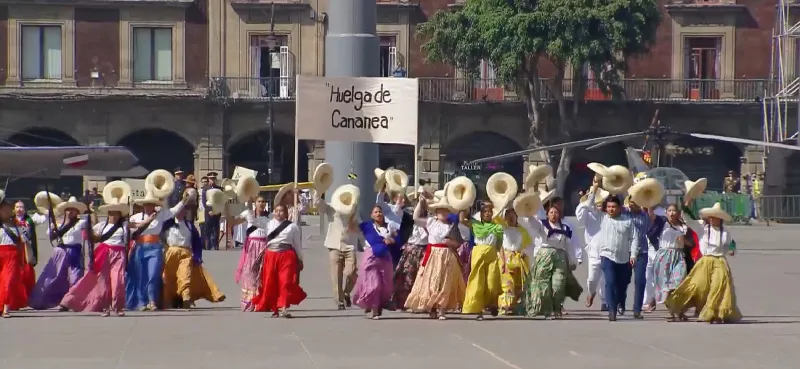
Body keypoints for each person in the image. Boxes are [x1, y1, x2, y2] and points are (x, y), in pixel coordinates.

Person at [665, 202, 742, 323]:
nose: (711, 219)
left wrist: (732, 250)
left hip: (719, 261)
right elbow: (688, 220)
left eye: (714, 217)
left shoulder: (725, 232)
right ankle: (678, 306)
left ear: (719, 219)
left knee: (719, 286)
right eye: (710, 216)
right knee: (696, 285)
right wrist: (686, 204)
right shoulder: (702, 228)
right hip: (705, 261)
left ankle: (715, 314)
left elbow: (730, 245)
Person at [60, 201, 130, 316]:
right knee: (103, 281)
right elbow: (92, 232)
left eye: (116, 213)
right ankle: (105, 307)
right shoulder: (102, 225)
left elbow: (137, 225)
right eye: (111, 213)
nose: (114, 216)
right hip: (104, 252)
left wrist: (149, 219)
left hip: (119, 252)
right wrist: (91, 213)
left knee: (118, 280)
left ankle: (118, 307)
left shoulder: (124, 225)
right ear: (108, 214)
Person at [403, 195, 467, 320]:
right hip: (433, 255)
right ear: (436, 212)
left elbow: (459, 243)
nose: (442, 212)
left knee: (445, 283)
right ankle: (432, 306)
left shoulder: (452, 226)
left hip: (447, 255)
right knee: (432, 281)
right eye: (440, 210)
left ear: (448, 212)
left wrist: (450, 243)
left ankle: (441, 309)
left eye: (445, 210)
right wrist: (420, 204)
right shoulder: (431, 222)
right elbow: (415, 218)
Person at [161, 190, 225, 309]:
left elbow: (197, 242)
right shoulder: (167, 224)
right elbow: (159, 238)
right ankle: (169, 300)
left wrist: (197, 256)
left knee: (185, 275)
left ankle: (187, 298)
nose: (181, 212)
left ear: (185, 212)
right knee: (168, 278)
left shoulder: (190, 226)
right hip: (170, 253)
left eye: (183, 210)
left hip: (185, 253)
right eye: (179, 210)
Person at [126, 192, 187, 311]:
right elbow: (129, 231)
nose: (148, 207)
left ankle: (152, 300)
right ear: (143, 205)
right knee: (141, 275)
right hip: (139, 247)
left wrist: (183, 201)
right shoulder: (135, 217)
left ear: (154, 205)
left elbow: (174, 211)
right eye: (146, 204)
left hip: (155, 247)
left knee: (153, 274)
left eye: (150, 204)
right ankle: (141, 302)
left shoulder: (160, 215)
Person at [28, 197, 89, 311]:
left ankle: (69, 302)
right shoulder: (58, 223)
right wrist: (53, 227)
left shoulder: (81, 222)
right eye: (68, 210)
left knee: (75, 278)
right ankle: (42, 300)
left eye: (73, 210)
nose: (70, 212)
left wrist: (91, 211)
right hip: (60, 251)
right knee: (53, 276)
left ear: (77, 212)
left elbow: (91, 226)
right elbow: (52, 237)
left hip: (74, 251)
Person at [517, 205, 578, 318]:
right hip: (545, 256)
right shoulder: (542, 225)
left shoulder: (564, 228)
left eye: (556, 212)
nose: (553, 215)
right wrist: (529, 212)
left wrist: (572, 260)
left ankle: (557, 308)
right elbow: (532, 223)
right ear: (547, 214)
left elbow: (569, 245)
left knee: (558, 285)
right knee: (543, 285)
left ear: (559, 215)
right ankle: (547, 310)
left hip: (560, 257)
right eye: (551, 212)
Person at [249, 204, 306, 317]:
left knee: (285, 281)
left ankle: (283, 307)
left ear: (286, 213)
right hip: (271, 255)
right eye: (276, 211)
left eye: (281, 211)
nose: (279, 213)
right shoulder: (268, 224)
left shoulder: (292, 227)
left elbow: (297, 244)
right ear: (273, 212)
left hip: (287, 255)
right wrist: (250, 204)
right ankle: (274, 308)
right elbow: (252, 220)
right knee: (270, 281)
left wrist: (300, 259)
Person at [595, 195, 640, 322]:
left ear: (620, 208)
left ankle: (620, 302)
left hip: (624, 258)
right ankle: (612, 310)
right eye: (609, 207)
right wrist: (594, 190)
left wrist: (633, 255)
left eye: (613, 207)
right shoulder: (602, 218)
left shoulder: (627, 221)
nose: (611, 209)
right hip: (607, 256)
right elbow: (589, 208)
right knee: (610, 282)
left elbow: (634, 238)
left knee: (622, 285)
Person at [352, 205, 401, 320]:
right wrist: (351, 214)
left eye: (380, 211)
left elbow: (400, 237)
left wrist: (392, 240)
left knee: (385, 285)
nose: (378, 214)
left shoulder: (390, 226)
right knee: (374, 285)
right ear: (371, 215)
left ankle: (378, 305)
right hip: (371, 257)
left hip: (385, 257)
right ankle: (373, 309)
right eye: (375, 212)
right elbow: (351, 228)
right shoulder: (367, 226)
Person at [647, 203, 694, 321]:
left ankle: (676, 308)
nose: (672, 213)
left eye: (674, 211)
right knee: (664, 286)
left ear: (678, 213)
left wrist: (683, 240)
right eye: (669, 210)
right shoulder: (662, 222)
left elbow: (691, 243)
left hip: (678, 256)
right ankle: (674, 311)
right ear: (666, 212)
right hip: (664, 256)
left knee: (677, 283)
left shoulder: (683, 226)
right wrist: (649, 203)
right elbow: (651, 215)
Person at [315, 193, 361, 311]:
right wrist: (318, 191)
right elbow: (318, 205)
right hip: (334, 245)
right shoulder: (331, 208)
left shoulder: (354, 210)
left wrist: (353, 222)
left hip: (349, 246)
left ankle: (346, 292)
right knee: (336, 276)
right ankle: (340, 301)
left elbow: (359, 227)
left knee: (351, 272)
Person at [230, 196, 274, 311]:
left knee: (263, 274)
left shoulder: (270, 216)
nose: (261, 203)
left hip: (264, 246)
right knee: (250, 273)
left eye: (263, 201)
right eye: (259, 201)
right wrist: (227, 211)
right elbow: (233, 222)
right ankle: (250, 301)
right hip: (252, 246)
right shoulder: (248, 214)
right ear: (255, 203)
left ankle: (262, 301)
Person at [462, 201, 504, 320]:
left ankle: (491, 304)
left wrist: (503, 261)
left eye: (490, 211)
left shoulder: (497, 228)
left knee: (492, 283)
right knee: (477, 283)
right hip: (478, 254)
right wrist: (465, 204)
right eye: (485, 212)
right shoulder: (475, 225)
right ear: (481, 214)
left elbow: (499, 246)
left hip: (491, 255)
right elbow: (461, 219)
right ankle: (478, 310)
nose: (487, 213)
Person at [391, 190, 430, 310]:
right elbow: (397, 212)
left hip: (425, 250)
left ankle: (419, 302)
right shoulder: (407, 216)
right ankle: (403, 301)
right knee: (406, 276)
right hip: (412, 249)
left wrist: (427, 200)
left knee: (422, 277)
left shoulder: (429, 219)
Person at [497, 208, 533, 315]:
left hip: (519, 259)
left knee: (519, 285)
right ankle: (505, 306)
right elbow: (499, 246)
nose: (511, 217)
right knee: (507, 284)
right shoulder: (502, 229)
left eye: (513, 215)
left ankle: (515, 306)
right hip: (506, 258)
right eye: (508, 215)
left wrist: (524, 252)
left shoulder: (523, 231)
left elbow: (530, 246)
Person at [576, 182, 606, 309]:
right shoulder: (585, 211)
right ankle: (591, 292)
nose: (599, 204)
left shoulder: (607, 213)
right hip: (593, 251)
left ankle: (605, 301)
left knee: (606, 279)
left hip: (608, 251)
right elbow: (580, 218)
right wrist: (591, 195)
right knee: (592, 279)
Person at [623, 196, 654, 319]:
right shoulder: (624, 213)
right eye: (630, 202)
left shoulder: (644, 215)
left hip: (642, 251)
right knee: (624, 280)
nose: (632, 204)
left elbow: (647, 229)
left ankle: (637, 309)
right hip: (626, 251)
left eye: (635, 202)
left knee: (640, 281)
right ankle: (620, 302)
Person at [375, 186, 413, 267]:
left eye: (403, 198)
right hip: (386, 238)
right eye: (401, 198)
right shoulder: (387, 207)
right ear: (394, 199)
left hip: (397, 240)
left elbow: (398, 211)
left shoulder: (404, 212)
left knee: (395, 264)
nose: (403, 200)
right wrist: (382, 191)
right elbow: (379, 202)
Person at [0, 198, 24, 317]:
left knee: (8, 281)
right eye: (4, 209)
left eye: (9, 208)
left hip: (12, 255)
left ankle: (6, 307)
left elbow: (22, 241)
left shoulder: (16, 224)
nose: (7, 211)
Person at [11, 200, 37, 310]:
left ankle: (27, 298)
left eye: (21, 207)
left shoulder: (29, 221)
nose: (19, 209)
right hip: (13, 249)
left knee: (26, 273)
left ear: (25, 209)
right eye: (17, 207)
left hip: (26, 249)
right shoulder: (10, 220)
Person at [201, 172, 221, 250]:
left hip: (217, 211)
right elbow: (204, 201)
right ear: (209, 179)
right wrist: (209, 210)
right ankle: (208, 245)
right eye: (211, 179)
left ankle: (215, 245)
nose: (212, 180)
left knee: (216, 229)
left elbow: (220, 200)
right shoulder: (205, 189)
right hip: (208, 212)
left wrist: (218, 210)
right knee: (208, 229)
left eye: (213, 178)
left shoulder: (219, 188)